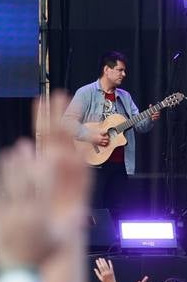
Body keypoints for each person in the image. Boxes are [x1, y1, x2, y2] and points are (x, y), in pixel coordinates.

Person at [62, 51, 158, 214]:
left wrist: (150, 118)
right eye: (120, 70)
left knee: (117, 210)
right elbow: (67, 122)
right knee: (93, 211)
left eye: (124, 70)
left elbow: (140, 126)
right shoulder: (86, 93)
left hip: (120, 165)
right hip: (93, 164)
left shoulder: (125, 97)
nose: (124, 74)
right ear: (107, 70)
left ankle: (114, 240)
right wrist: (91, 135)